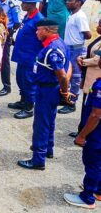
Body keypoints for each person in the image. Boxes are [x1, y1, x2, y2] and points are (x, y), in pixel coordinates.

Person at [17, 19, 70, 170]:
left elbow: (63, 75)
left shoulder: (52, 50)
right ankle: (48, 149)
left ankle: (38, 159)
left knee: (41, 124)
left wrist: (65, 92)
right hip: (49, 88)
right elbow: (69, 65)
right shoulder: (60, 42)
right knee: (49, 120)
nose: (36, 32)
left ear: (47, 30)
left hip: (47, 89)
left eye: (38, 30)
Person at [64, 51, 101, 209]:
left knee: (93, 162)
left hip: (96, 133)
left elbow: (96, 115)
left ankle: (87, 198)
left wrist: (82, 135)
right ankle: (98, 191)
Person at [10, 0, 45, 119]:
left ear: (31, 5)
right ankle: (23, 101)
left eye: (24, 3)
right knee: (21, 79)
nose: (22, 5)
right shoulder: (27, 16)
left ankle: (29, 108)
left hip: (31, 57)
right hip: (22, 55)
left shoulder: (39, 19)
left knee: (29, 81)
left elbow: (43, 40)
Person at [59, 0, 91, 115]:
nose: (67, 2)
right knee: (67, 73)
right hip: (68, 48)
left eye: (71, 0)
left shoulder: (80, 17)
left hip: (75, 48)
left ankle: (71, 102)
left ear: (78, 3)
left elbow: (87, 35)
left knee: (75, 77)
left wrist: (77, 41)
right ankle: (65, 97)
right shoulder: (72, 14)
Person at [70, 18, 101, 137]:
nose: (98, 27)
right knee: (85, 104)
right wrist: (82, 57)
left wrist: (83, 61)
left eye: (100, 25)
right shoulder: (98, 38)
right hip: (89, 75)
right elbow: (91, 52)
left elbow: (97, 59)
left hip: (95, 75)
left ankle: (85, 132)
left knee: (92, 106)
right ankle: (82, 128)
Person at [0, 0, 21, 97]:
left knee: (5, 60)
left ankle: (7, 86)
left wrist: (8, 33)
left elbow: (17, 22)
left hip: (6, 34)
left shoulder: (12, 4)